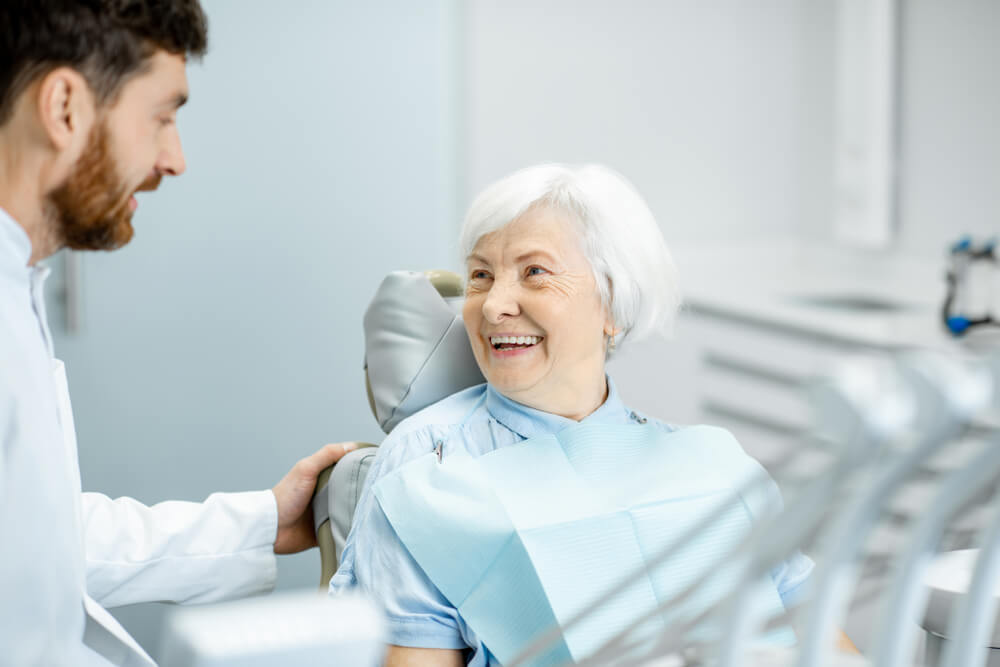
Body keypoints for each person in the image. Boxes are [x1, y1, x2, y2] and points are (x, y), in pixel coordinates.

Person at [331, 163, 817, 666]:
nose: (495, 304)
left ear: (613, 303)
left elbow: (823, 643)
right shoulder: (427, 467)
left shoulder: (716, 468)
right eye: (481, 275)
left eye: (534, 272)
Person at [0, 2, 355, 664]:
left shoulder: (18, 284)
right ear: (65, 107)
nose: (175, 159)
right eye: (162, 116)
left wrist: (266, 520)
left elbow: (35, 535)